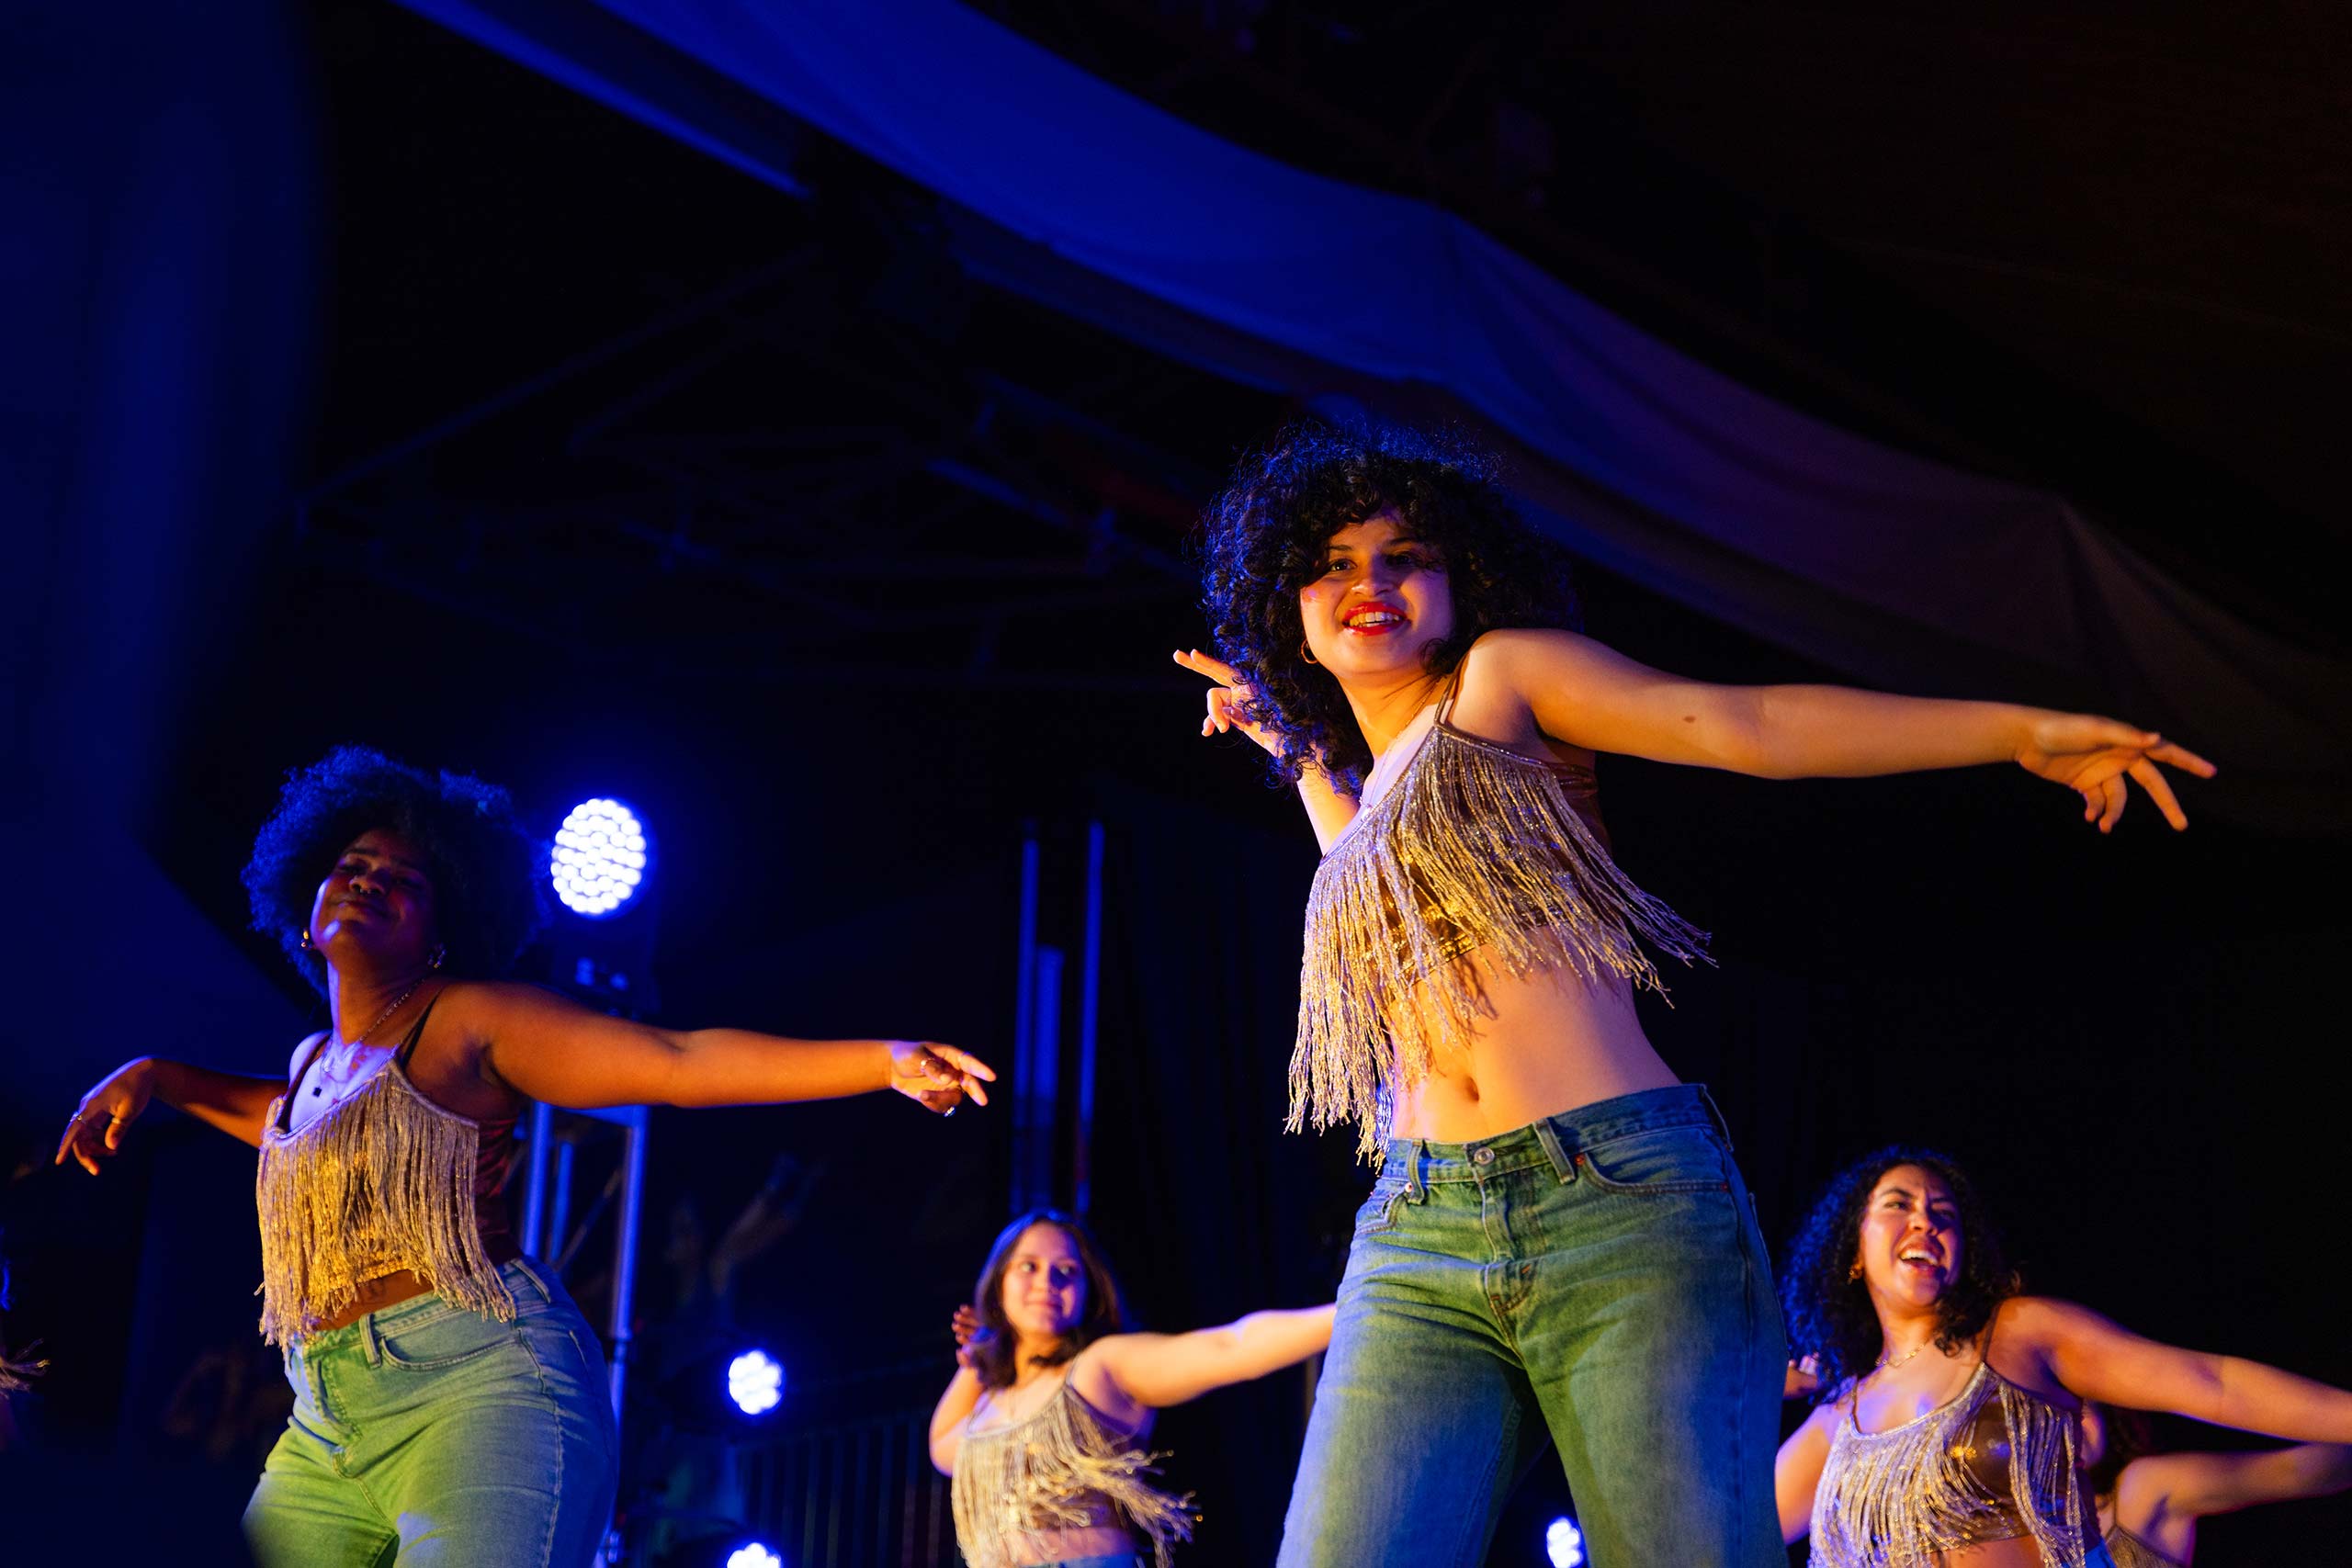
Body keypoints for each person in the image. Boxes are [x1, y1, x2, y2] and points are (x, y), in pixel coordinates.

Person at [1175, 423, 2214, 1567]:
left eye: (1401, 555)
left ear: (1458, 578)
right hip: (1416, 1234)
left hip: (1613, 1201)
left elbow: (1743, 725)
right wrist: (1294, 747)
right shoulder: (1367, 802)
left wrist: (2018, 731)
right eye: (1330, 563)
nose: (1368, 582)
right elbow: (1367, 860)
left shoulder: (1500, 681)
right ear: (1288, 606)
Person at [54, 746, 993, 1568]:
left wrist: (880, 1061)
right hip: (325, 1419)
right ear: (304, 917)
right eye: (350, 864)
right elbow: (282, 1127)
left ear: (443, 934)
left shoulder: (467, 1021)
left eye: (402, 879)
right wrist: (159, 1077)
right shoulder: (312, 1071)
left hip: (482, 1389)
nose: (369, 879)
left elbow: (675, 1062)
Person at [1775, 1146, 2352, 1566]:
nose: (1926, 1219)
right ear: (1852, 1251)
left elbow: (2211, 1382)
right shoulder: (1836, 1421)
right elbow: (1720, 1529)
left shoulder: (2017, 1337)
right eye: (1899, 1205)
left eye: (1944, 1214)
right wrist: (1755, 1391)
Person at [930, 1207, 1334, 1568]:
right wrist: (978, 1358)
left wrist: (1346, 1314)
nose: (1047, 1282)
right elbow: (943, 1449)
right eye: (1028, 1266)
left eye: (1067, 1271)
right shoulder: (989, 1408)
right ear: (998, 1284)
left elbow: (1231, 1346)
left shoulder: (1098, 1368)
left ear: (1089, 1292)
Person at [2081, 1402, 2352, 1565]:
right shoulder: (2040, 1544)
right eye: (2044, 1419)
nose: (2067, 1424)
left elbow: (2291, 1471)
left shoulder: (2141, 1490)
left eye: (2079, 1408)